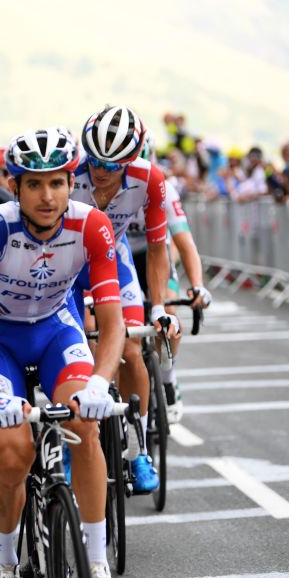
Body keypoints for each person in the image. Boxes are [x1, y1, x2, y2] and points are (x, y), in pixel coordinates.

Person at [0, 127, 124, 578]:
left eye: (58, 183)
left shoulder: (92, 226)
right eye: (34, 185)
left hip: (55, 332)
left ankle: (94, 564)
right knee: (12, 456)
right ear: (17, 184)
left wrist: (99, 382)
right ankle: (6, 564)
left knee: (85, 427)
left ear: (72, 183)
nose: (47, 196)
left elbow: (112, 323)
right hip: (0, 340)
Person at [70, 105, 177, 493]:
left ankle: (138, 446)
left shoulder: (149, 179)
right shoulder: (69, 173)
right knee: (78, 347)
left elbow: (158, 246)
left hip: (113, 262)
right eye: (94, 160)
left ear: (130, 161)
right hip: (67, 265)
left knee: (131, 348)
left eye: (112, 165)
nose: (99, 170)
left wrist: (160, 306)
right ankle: (72, 442)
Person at [128, 135, 211, 423]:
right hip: (121, 256)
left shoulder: (163, 189)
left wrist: (197, 285)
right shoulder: (109, 187)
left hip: (155, 254)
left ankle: (167, 377)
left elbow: (186, 243)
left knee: (170, 312)